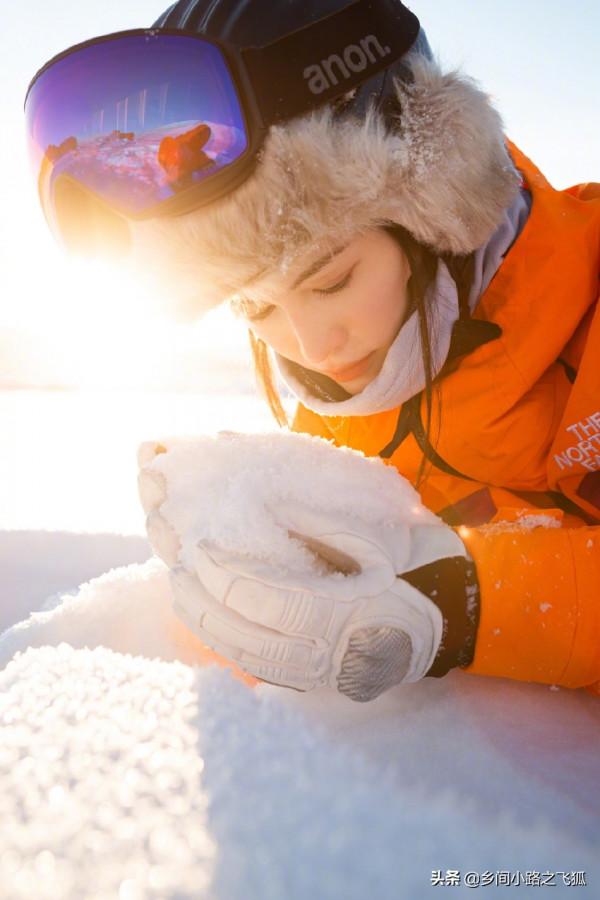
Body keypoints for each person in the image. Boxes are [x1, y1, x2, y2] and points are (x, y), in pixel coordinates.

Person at [25, 0, 600, 700]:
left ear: (436, 205)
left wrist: (467, 606)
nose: (310, 348)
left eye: (332, 279)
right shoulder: (340, 428)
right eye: (256, 306)